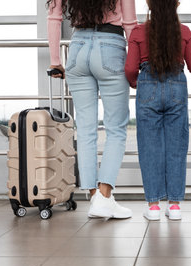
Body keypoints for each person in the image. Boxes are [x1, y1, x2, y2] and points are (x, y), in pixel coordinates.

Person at [47, 0, 137, 219]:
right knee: (115, 129)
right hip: (111, 46)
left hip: (77, 48)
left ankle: (94, 195)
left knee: (86, 130)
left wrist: (55, 61)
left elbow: (54, 18)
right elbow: (130, 24)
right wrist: (136, 62)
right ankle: (104, 198)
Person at [125, 0, 191, 220]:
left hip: (147, 88)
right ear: (177, 5)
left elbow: (131, 68)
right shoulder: (184, 32)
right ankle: (175, 206)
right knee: (176, 147)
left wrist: (136, 83)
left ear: (149, 5)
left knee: (149, 147)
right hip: (177, 88)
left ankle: (153, 207)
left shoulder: (138, 32)